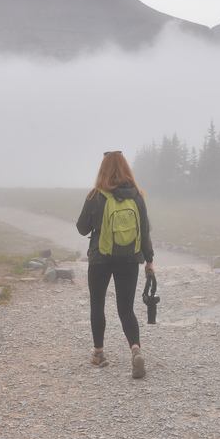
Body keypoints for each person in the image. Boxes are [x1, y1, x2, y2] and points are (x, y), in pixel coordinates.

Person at [76, 150, 155, 379]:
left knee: (97, 304)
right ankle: (135, 349)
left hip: (100, 258)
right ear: (126, 168)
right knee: (126, 308)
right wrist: (149, 260)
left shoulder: (95, 196)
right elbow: (145, 231)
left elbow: (81, 228)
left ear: (103, 170)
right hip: (130, 259)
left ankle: (99, 353)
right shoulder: (137, 196)